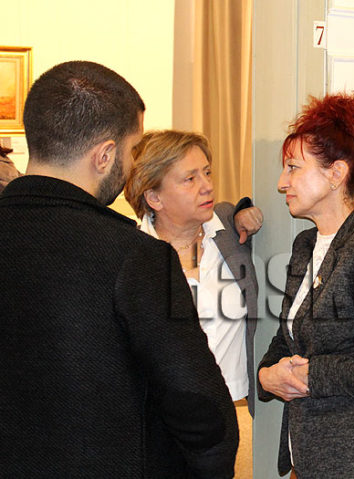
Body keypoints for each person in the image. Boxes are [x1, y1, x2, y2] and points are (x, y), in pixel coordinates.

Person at [0, 61, 238, 478]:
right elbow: (201, 411)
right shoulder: (135, 256)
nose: (131, 165)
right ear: (105, 155)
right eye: (132, 150)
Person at [258, 93, 354, 479]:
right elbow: (290, 337)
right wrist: (266, 375)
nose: (282, 182)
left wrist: (310, 375)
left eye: (293, 168)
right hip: (307, 456)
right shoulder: (304, 245)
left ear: (336, 174)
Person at [124, 129, 260, 416]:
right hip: (160, 419)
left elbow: (244, 212)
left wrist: (246, 213)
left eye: (207, 173)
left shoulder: (228, 228)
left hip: (237, 411)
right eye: (190, 179)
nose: (207, 186)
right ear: (154, 198)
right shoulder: (128, 257)